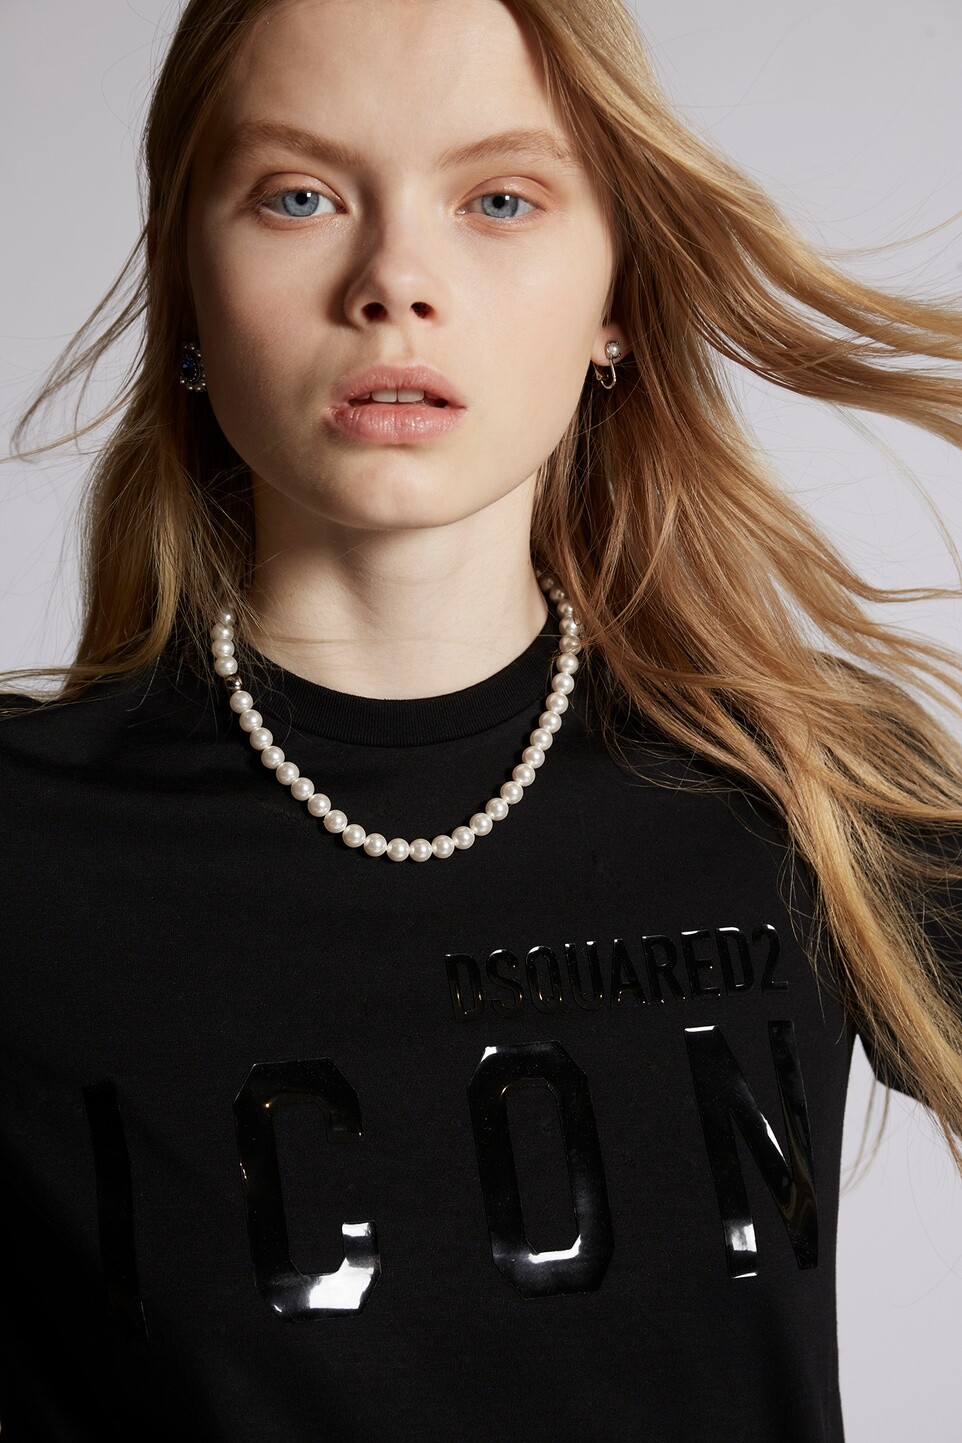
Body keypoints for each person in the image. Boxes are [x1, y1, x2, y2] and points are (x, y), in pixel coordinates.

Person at [1, 0, 961, 1438]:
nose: (394, 280)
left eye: (499, 199)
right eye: (299, 196)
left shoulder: (815, 788)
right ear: (185, 283)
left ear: (616, 297)